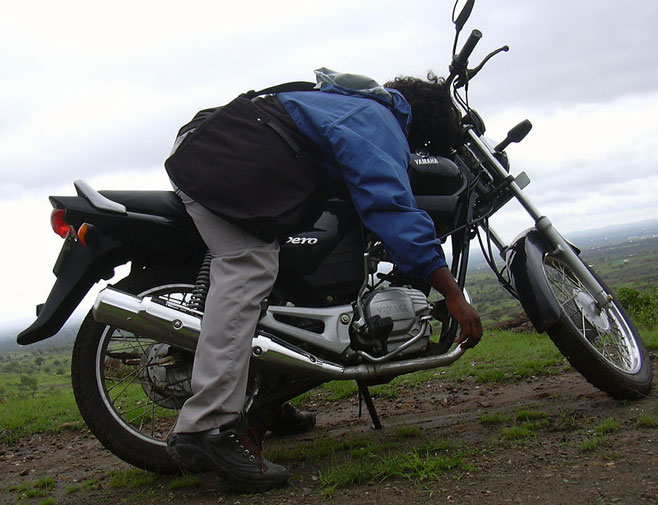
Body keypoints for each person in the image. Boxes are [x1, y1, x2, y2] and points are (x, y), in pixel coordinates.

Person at [165, 68, 482, 491]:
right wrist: (452, 293)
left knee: (291, 274)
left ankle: (268, 399)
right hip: (219, 152)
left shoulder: (357, 106)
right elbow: (391, 207)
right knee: (248, 265)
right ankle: (207, 426)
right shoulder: (376, 119)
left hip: (227, 146)